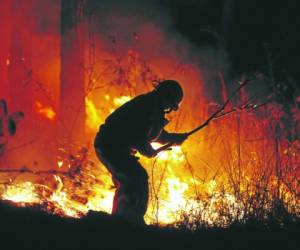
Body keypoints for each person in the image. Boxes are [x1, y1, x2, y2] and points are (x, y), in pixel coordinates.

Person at [94, 80, 188, 225]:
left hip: (117, 147)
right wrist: (148, 151)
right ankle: (124, 220)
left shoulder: (154, 107)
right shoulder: (146, 105)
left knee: (135, 177)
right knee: (131, 177)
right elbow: (135, 133)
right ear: (166, 97)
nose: (170, 108)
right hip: (110, 144)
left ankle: (126, 219)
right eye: (171, 103)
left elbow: (155, 135)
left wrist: (176, 138)